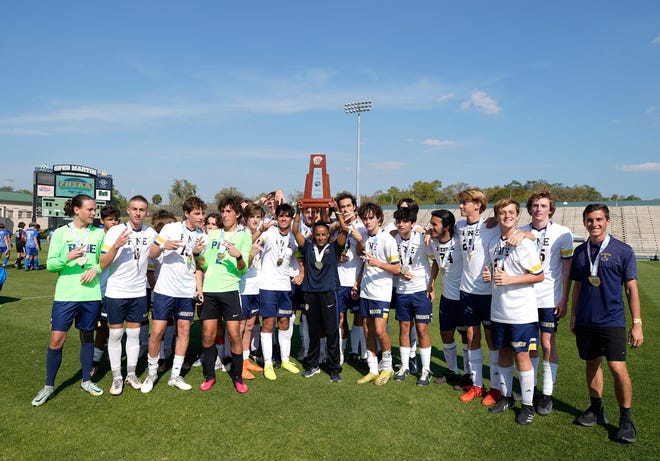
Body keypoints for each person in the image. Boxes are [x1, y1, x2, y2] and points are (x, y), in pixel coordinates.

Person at [570, 204, 643, 443]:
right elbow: (578, 286)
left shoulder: (623, 250)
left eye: (599, 219)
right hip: (586, 320)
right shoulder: (580, 252)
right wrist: (573, 316)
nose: (594, 224)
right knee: (592, 364)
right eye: (590, 220)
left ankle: (625, 420)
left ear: (607, 221)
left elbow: (631, 288)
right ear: (584, 222)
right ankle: (596, 409)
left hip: (612, 320)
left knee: (617, 368)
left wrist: (637, 323)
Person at [31, 194, 105, 406]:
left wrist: (96, 268)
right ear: (76, 210)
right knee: (57, 340)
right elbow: (52, 265)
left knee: (87, 337)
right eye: (90, 209)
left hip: (90, 295)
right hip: (66, 296)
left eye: (94, 209)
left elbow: (104, 261)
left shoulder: (98, 234)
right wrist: (68, 257)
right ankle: (48, 386)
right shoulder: (61, 234)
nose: (93, 213)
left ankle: (87, 380)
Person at [482, 199, 544, 425]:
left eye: (511, 213)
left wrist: (511, 279)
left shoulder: (524, 243)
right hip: (499, 311)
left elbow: (539, 275)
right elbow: (497, 270)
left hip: (521, 314)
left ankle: (528, 406)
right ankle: (507, 398)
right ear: (497, 215)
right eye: (502, 212)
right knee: (504, 354)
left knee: (522, 357)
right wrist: (489, 276)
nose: (506, 216)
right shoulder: (494, 243)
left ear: (518, 216)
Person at [142, 197, 208, 393]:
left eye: (202, 213)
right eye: (197, 213)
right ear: (187, 213)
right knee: (157, 331)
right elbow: (152, 254)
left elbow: (201, 266)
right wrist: (164, 245)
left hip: (186, 292)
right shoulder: (170, 229)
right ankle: (152, 374)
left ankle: (175, 375)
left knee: (184, 332)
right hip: (165, 291)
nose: (201, 217)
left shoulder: (203, 236)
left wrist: (199, 288)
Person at [519, 189, 573, 415]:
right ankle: (531, 390)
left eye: (543, 206)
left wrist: (564, 298)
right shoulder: (519, 231)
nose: (539, 209)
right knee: (530, 346)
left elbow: (567, 268)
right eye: (535, 205)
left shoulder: (563, 232)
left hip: (550, 298)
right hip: (525, 299)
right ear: (530, 208)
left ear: (551, 209)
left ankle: (547, 394)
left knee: (548, 344)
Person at [100, 195, 157, 395]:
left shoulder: (151, 232)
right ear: (128, 210)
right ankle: (117, 378)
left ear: (147, 212)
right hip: (116, 291)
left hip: (139, 291)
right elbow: (102, 263)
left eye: (142, 209)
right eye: (134, 209)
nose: (138, 213)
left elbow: (157, 254)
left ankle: (131, 374)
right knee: (115, 334)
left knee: (134, 334)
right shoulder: (116, 231)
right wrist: (117, 245)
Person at [196, 196, 252, 394]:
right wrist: (196, 255)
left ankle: (238, 377)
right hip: (210, 291)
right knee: (208, 335)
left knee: (234, 335)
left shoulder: (245, 236)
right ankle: (209, 375)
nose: (225, 215)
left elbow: (243, 269)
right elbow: (204, 265)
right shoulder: (213, 234)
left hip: (230, 291)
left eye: (229, 211)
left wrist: (238, 256)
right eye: (223, 211)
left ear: (237, 214)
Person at [293, 200, 347, 382]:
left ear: (328, 235)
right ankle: (312, 365)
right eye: (318, 235)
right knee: (314, 332)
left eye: (324, 234)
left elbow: (345, 230)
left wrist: (337, 210)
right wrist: (298, 211)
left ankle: (334, 368)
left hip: (329, 293)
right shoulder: (308, 247)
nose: (321, 237)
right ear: (314, 236)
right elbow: (295, 231)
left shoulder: (334, 248)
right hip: (310, 294)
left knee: (332, 332)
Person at [455, 188, 501, 403]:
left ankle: (495, 388)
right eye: (461, 202)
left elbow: (518, 233)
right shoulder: (459, 225)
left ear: (478, 205)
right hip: (467, 291)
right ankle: (476, 385)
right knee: (472, 338)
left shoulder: (491, 226)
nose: (461, 206)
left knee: (492, 341)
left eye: (465, 203)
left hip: (489, 293)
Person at [352, 202, 400, 385]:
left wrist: (377, 262)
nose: (367, 221)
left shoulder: (387, 239)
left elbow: (397, 268)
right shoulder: (364, 235)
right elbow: (364, 262)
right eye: (365, 218)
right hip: (366, 291)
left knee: (380, 330)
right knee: (367, 330)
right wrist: (357, 282)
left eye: (371, 217)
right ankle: (373, 369)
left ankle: (387, 367)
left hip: (381, 293)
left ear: (379, 218)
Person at [255, 203, 302, 380]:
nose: (283, 219)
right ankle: (268, 363)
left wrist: (302, 272)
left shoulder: (293, 239)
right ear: (276, 217)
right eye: (280, 215)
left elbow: (299, 257)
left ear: (291, 219)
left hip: (285, 286)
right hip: (267, 286)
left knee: (284, 323)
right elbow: (254, 242)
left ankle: (285, 360)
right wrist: (259, 232)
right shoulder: (268, 234)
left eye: (287, 216)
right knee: (268, 324)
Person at [391, 207, 434, 386]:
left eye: (405, 221)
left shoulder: (423, 239)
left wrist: (431, 285)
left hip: (420, 290)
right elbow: (390, 263)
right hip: (402, 290)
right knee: (404, 328)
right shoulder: (393, 240)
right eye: (399, 221)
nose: (401, 225)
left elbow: (436, 261)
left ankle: (425, 369)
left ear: (413, 223)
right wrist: (401, 271)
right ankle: (405, 366)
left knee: (422, 329)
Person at [427, 209, 468, 387]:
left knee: (466, 336)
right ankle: (453, 372)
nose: (431, 227)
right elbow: (437, 261)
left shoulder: (460, 242)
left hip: (464, 297)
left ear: (447, 226)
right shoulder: (433, 242)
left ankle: (468, 374)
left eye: (434, 224)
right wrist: (432, 282)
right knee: (446, 334)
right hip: (446, 297)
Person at [332, 192, 367, 365]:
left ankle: (356, 352)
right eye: (341, 207)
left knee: (360, 318)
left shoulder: (362, 227)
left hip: (357, 280)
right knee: (340, 318)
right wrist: (338, 255)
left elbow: (364, 251)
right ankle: (340, 354)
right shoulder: (336, 227)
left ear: (354, 207)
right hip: (339, 280)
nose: (345, 209)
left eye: (347, 206)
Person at [90, 204, 122, 377]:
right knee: (94, 327)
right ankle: (94, 358)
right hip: (96, 290)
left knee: (107, 327)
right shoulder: (97, 237)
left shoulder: (123, 236)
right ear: (102, 221)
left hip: (114, 291)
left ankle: (96, 361)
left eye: (116, 219)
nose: (114, 222)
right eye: (110, 220)